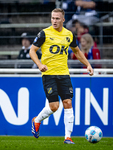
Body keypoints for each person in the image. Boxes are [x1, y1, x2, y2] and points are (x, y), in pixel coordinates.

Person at [29, 8, 93, 144]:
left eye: (57, 18)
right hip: (49, 74)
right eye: (53, 18)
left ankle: (68, 137)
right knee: (54, 106)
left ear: (63, 20)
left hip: (64, 74)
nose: (54, 21)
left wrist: (88, 64)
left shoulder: (69, 35)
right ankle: (37, 120)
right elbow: (32, 50)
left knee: (68, 103)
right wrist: (40, 65)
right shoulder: (44, 34)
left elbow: (77, 51)